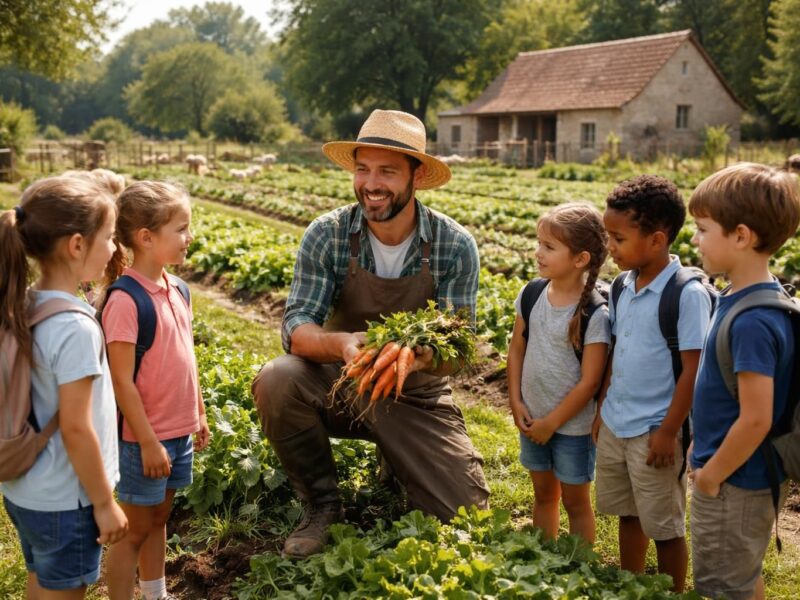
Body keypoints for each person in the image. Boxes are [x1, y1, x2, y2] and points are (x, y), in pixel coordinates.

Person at [252, 109, 490, 559]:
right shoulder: (329, 234)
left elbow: (461, 349)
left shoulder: (453, 245)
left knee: (465, 516)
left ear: (416, 176)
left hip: (415, 397)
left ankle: (399, 460)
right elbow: (296, 327)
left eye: (387, 171)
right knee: (278, 379)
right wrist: (342, 344)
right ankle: (322, 505)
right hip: (341, 383)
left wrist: (418, 357)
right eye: (362, 169)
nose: (371, 183)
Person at [0, 176, 128, 598]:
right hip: (67, 499)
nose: (113, 248)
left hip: (26, 488)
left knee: (40, 581)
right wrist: (104, 503)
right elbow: (76, 427)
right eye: (108, 237)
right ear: (77, 245)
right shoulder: (74, 327)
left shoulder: (24, 302)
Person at [593, 175, 712, 592]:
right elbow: (616, 352)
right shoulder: (623, 286)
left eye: (618, 238)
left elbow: (693, 372)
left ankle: (671, 591)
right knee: (629, 513)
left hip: (655, 430)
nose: (611, 247)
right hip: (616, 421)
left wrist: (667, 432)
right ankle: (632, 583)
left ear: (657, 239)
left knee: (664, 524)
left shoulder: (687, 294)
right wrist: (602, 408)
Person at [688, 163, 800, 600]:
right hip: (740, 472)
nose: (695, 238)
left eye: (702, 229)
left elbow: (756, 419)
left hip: (736, 481)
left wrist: (712, 476)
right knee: (741, 574)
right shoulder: (742, 296)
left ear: (740, 236)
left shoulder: (753, 321)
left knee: (721, 586)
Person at [102, 182, 210, 600]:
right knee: (132, 529)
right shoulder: (126, 301)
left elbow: (188, 360)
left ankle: (155, 592)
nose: (190, 238)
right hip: (142, 439)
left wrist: (197, 412)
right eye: (181, 229)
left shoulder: (178, 289)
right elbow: (120, 380)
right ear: (146, 238)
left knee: (160, 516)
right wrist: (147, 441)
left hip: (176, 433)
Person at [507, 202, 610, 544]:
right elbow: (517, 348)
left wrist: (553, 422)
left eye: (549, 247)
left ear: (580, 259)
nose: (538, 252)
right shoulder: (532, 293)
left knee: (576, 501)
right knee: (543, 495)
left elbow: (590, 381)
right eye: (539, 243)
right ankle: (543, 558)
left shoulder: (594, 312)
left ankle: (580, 565)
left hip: (573, 428)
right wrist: (515, 400)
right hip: (532, 417)